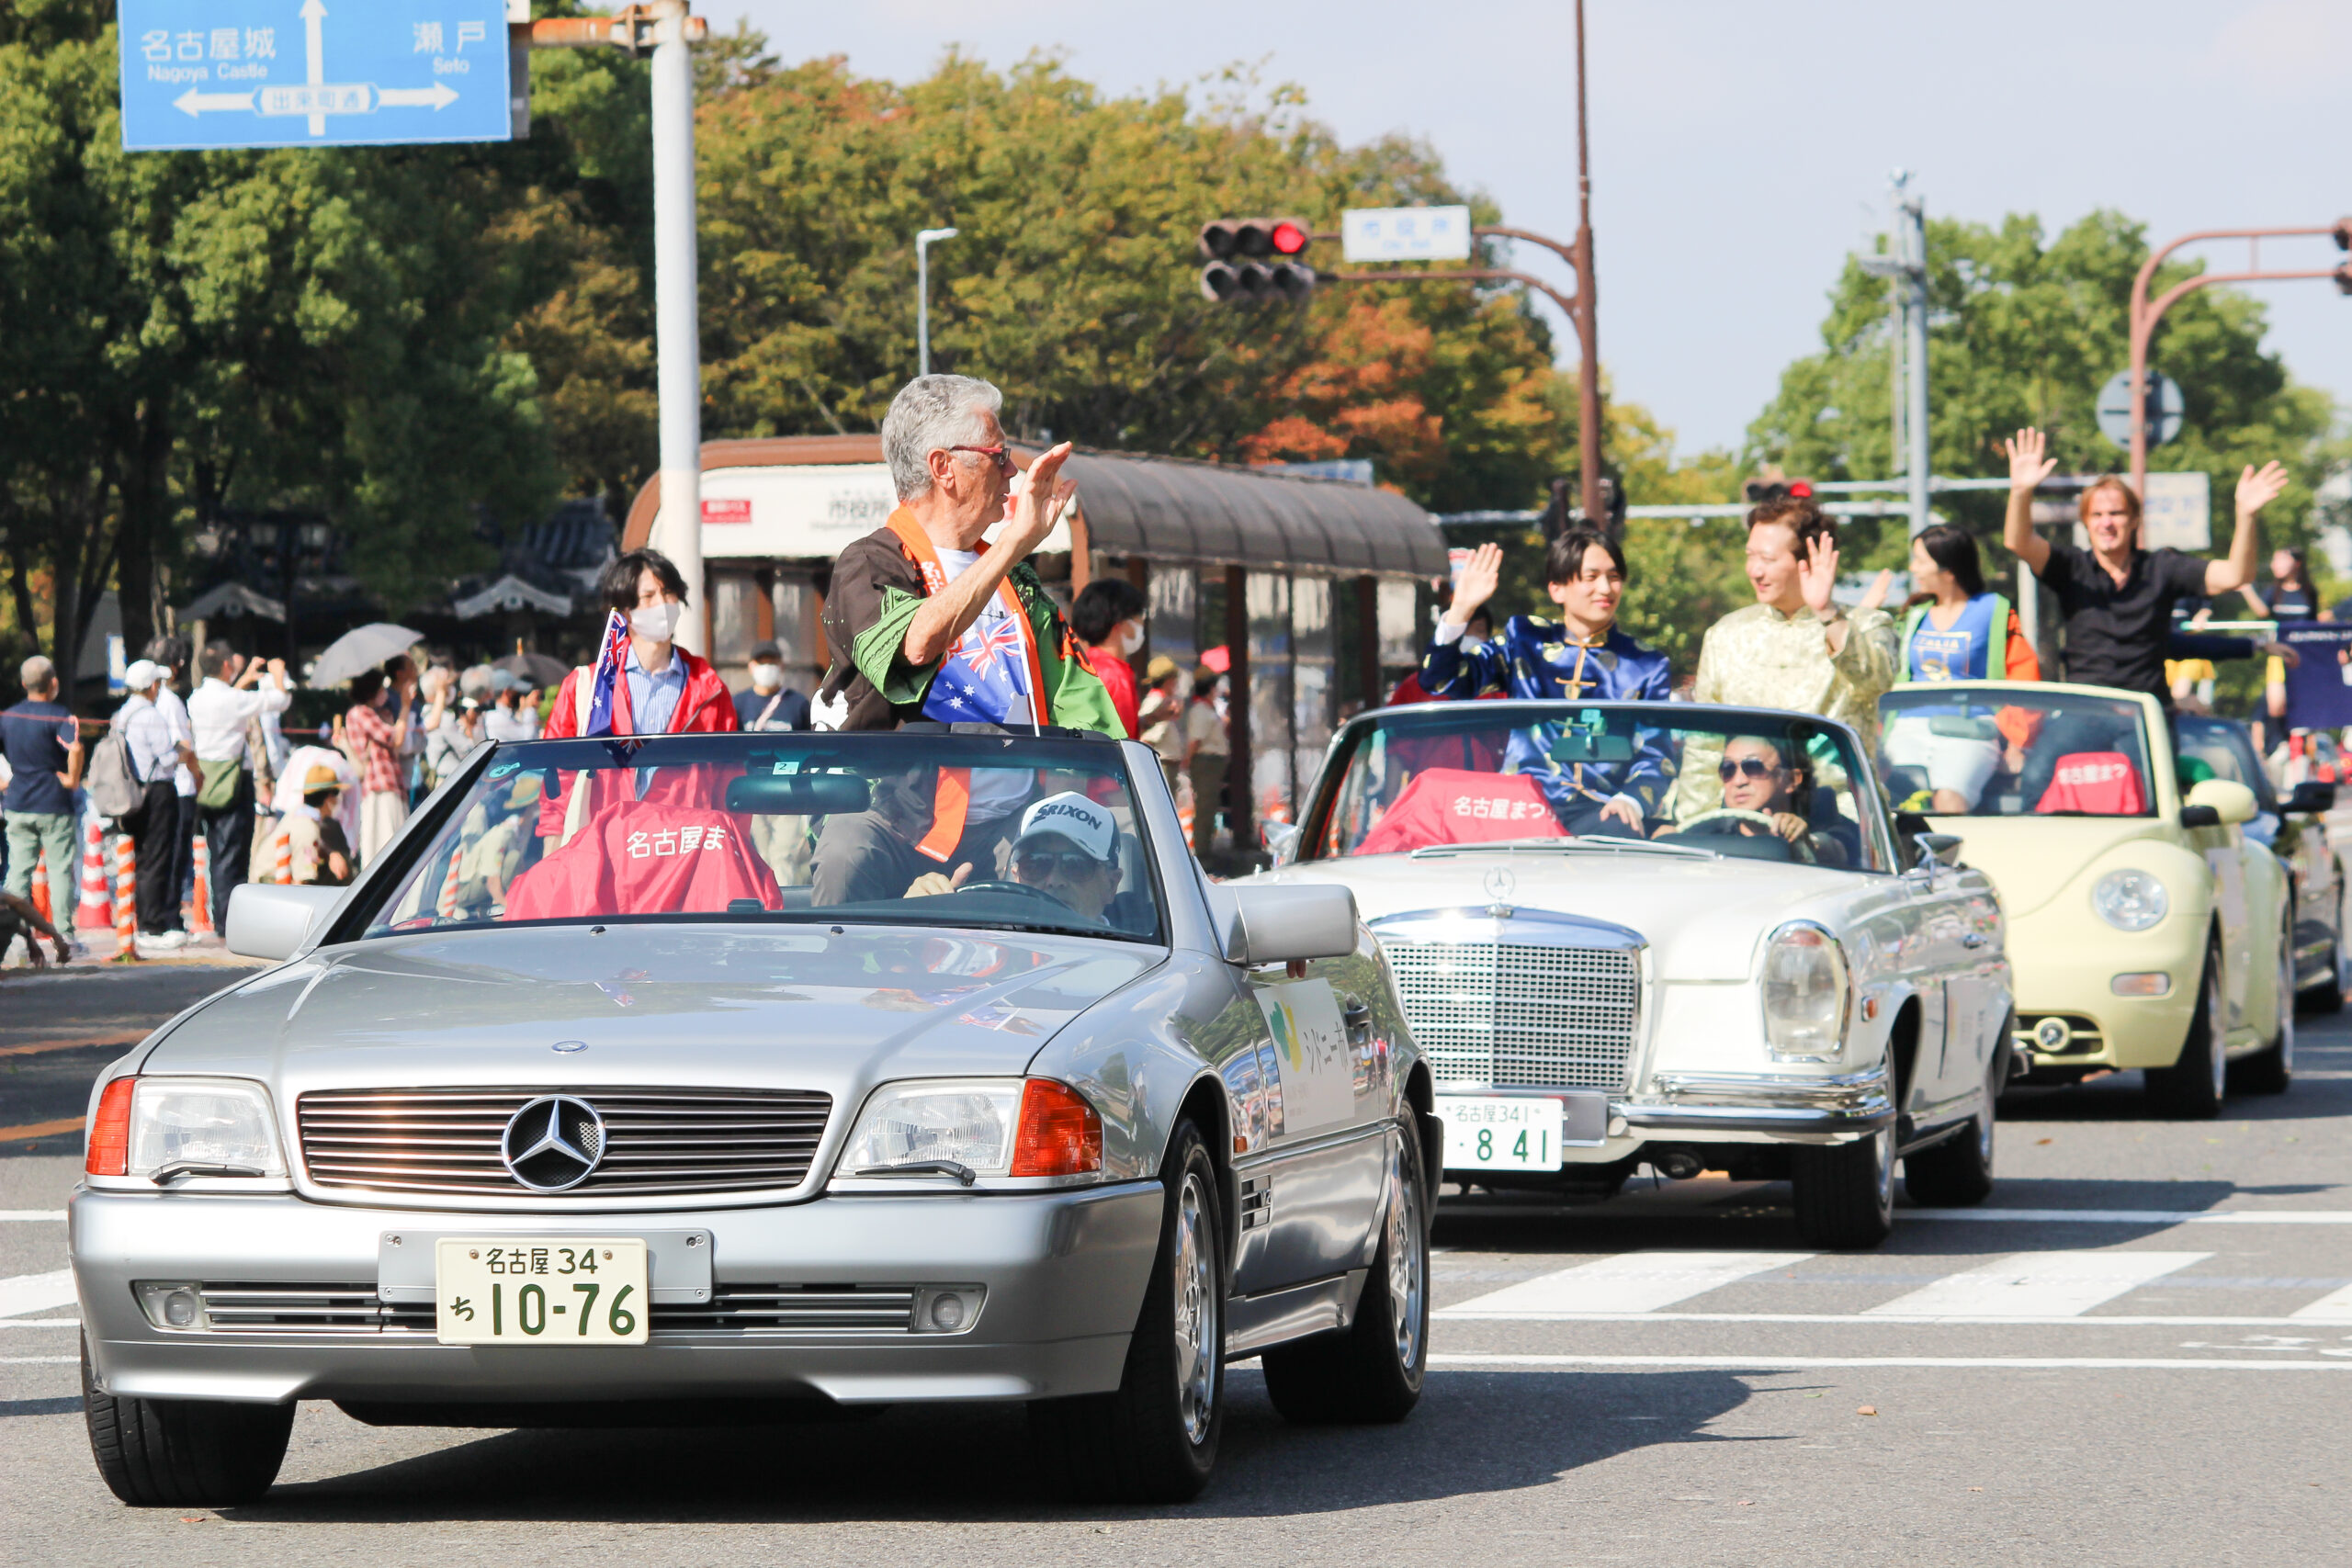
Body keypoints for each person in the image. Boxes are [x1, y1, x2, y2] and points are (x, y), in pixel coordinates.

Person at [817, 374, 1118, 736]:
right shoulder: (868, 563)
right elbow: (915, 645)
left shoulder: (1017, 580)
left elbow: (1084, 708)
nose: (1011, 471)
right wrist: (1013, 544)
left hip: (1027, 792)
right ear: (943, 467)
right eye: (998, 455)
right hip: (907, 792)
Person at [2002, 426, 2286, 703]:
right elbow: (2019, 542)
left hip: (2146, 714)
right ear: (2086, 522)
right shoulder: (2071, 567)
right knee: (2043, 753)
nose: (2107, 523)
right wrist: (2020, 492)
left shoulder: (2162, 567)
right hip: (2086, 711)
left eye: (2116, 513)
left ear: (2135, 519)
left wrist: (2246, 515)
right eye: (2097, 514)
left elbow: (2237, 574)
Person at [1420, 527, 1674, 833]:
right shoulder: (1525, 640)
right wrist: (1461, 609)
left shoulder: (1646, 664)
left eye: (1614, 577)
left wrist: (1631, 801)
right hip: (1521, 807)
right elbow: (1440, 681)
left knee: (1622, 833)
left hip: (1603, 811)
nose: (1606, 588)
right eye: (1591, 577)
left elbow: (1657, 756)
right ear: (1557, 589)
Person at [1678, 493, 1898, 818]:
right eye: (1750, 556)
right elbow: (1705, 744)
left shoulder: (1865, 624)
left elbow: (1876, 678)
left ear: (1806, 560)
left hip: (1840, 820)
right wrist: (1693, 823)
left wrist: (1827, 613)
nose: (1754, 570)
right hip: (1746, 820)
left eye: (1767, 559)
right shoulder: (1726, 633)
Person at [544, 548, 740, 739]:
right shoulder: (586, 686)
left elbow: (728, 767)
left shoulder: (711, 689)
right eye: (648, 596)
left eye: (668, 592)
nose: (662, 603)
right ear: (625, 611)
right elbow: (554, 764)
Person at [187, 642, 290, 933]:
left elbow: (232, 696)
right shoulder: (233, 701)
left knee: (214, 851)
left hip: (205, 780)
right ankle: (229, 921)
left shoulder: (195, 698)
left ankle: (220, 916)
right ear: (226, 666)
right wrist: (278, 672)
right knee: (233, 855)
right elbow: (280, 700)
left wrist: (245, 677)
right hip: (234, 780)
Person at [906, 790, 1125, 923]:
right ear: (1016, 875)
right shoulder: (979, 948)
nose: (1054, 880)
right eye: (1036, 863)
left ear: (1111, 884)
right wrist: (916, 920)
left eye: (1076, 865)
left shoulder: (1139, 971)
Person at [1660, 733, 1843, 865]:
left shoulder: (1831, 826)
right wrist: (1661, 844)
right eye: (1728, 769)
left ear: (1791, 779)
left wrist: (1808, 842)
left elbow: (1838, 849)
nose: (1738, 781)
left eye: (1754, 767)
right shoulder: (1701, 834)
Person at [114, 660, 196, 949]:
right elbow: (166, 758)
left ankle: (145, 921)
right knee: (158, 857)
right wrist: (182, 750)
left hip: (133, 790)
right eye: (157, 683)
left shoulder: (122, 714)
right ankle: (153, 925)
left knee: (143, 857)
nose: (159, 688)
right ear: (151, 685)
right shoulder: (150, 715)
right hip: (158, 790)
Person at [2, 656, 84, 907]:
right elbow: (76, 748)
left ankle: (11, 931)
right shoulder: (60, 715)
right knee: (59, 870)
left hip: (17, 802)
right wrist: (72, 779)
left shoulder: (7, 717)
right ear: (53, 683)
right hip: (53, 802)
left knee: (18, 871)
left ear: (24, 684)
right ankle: (63, 935)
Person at [144, 637, 200, 920]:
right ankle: (168, 916)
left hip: (149, 787)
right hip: (178, 786)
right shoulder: (170, 701)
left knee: (155, 856)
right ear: (176, 667)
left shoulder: (139, 703)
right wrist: (198, 774)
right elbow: (185, 746)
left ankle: (155, 915)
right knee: (173, 857)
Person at [344, 666, 414, 868]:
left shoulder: (369, 714)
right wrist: (405, 707)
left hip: (385, 783)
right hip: (380, 785)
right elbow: (394, 738)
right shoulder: (361, 713)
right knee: (386, 842)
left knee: (387, 840)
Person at [1071, 577, 1148, 739]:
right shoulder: (1117, 676)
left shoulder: (1082, 664)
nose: (1141, 622)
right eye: (1138, 616)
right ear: (1120, 624)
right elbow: (1122, 740)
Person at [252, 765, 355, 887]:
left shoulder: (297, 813)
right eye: (336, 794)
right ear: (328, 798)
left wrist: (331, 854)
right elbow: (303, 883)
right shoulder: (308, 831)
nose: (338, 800)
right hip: (270, 885)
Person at [1182, 664, 1229, 856]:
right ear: (1211, 687)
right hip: (1206, 762)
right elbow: (1195, 740)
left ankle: (1205, 850)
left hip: (1213, 762)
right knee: (1204, 809)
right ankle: (1202, 854)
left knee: (1209, 809)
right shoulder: (1201, 709)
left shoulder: (1209, 708)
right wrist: (1188, 760)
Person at [734, 642, 811, 732]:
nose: (766, 667)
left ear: (781, 666)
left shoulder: (799, 703)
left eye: (772, 663)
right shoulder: (738, 704)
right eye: (761, 663)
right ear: (750, 667)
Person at [1137, 655, 1185, 795]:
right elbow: (1147, 739)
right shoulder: (1159, 703)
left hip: (1165, 763)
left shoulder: (1160, 701)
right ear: (1169, 681)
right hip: (1161, 764)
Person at [425, 695, 485, 785]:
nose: (477, 713)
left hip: (446, 777)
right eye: (475, 710)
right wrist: (468, 730)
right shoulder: (447, 720)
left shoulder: (427, 715)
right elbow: (467, 750)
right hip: (450, 779)